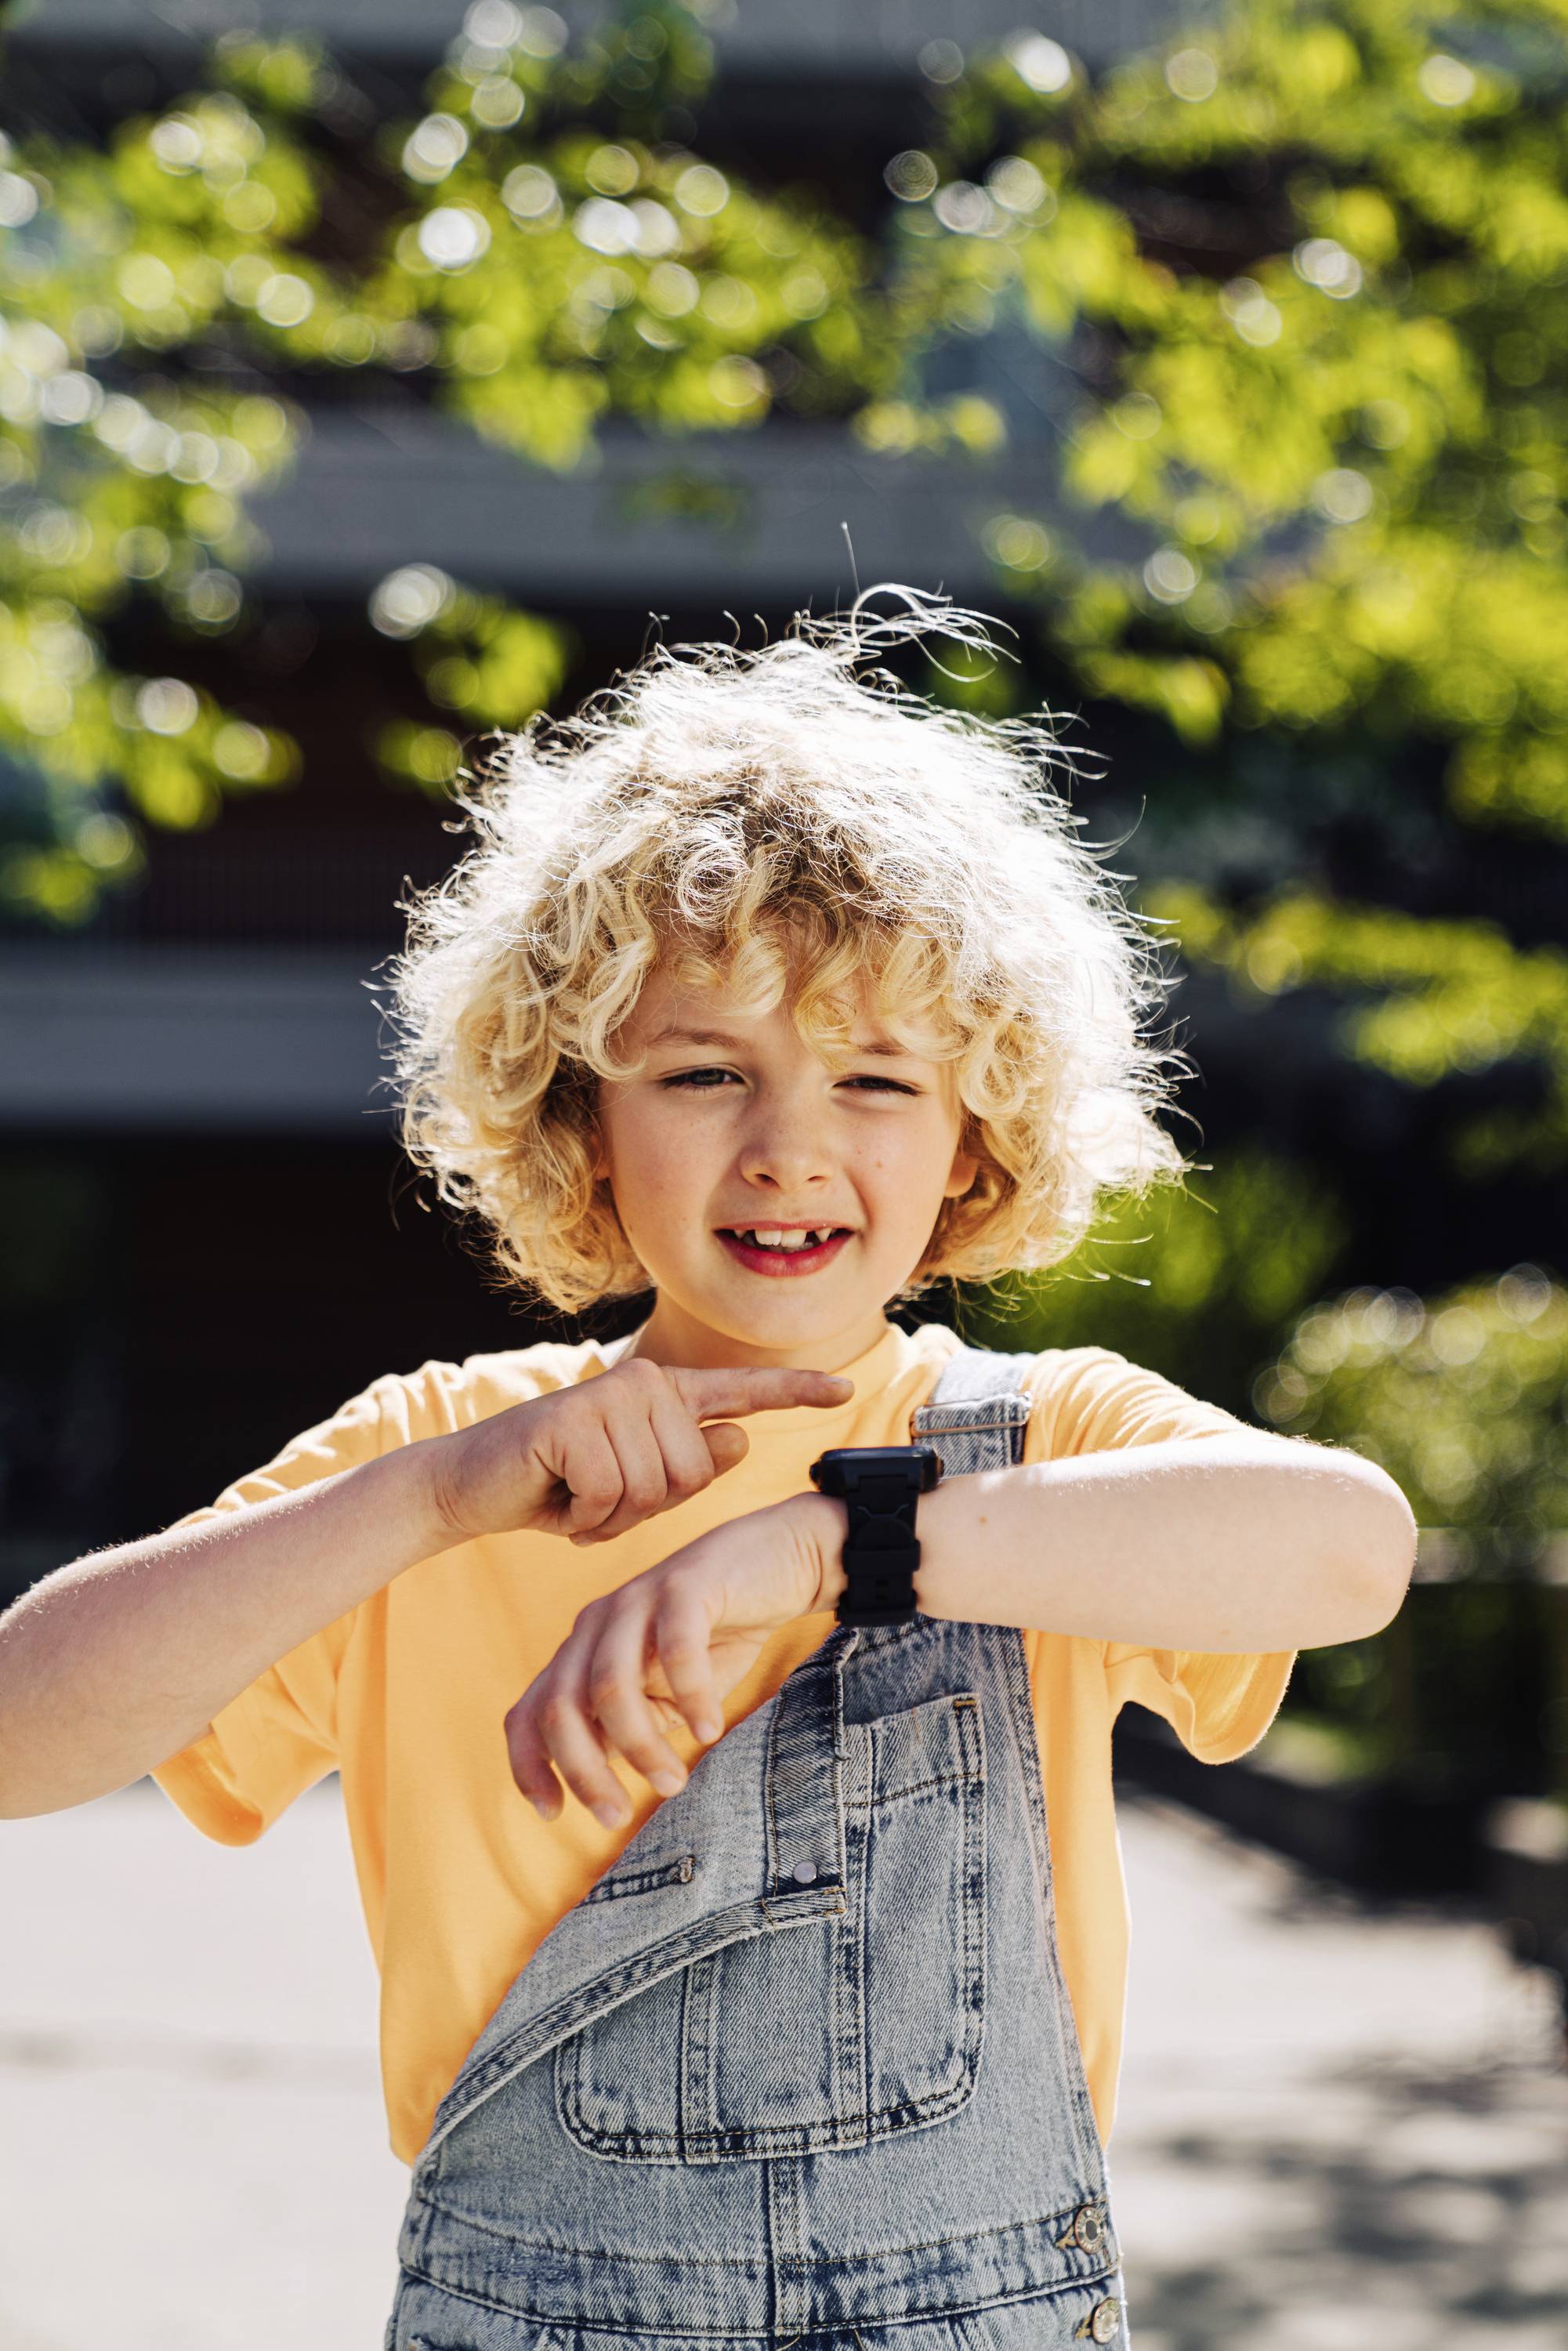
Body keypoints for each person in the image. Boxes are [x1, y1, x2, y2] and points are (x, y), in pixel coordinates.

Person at [0, 592, 1416, 2350]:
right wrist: (433, 1500)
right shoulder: (438, 1461)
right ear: (576, 1114)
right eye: (701, 1069)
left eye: (877, 1079)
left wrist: (840, 1544)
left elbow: (1345, 1551)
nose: (789, 1146)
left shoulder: (1045, 1447)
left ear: (977, 1134)